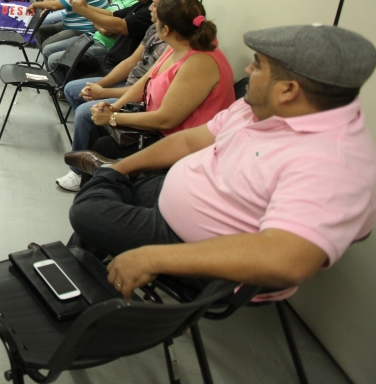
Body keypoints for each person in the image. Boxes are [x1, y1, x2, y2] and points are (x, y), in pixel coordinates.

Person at [68, 25, 376, 301]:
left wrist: (154, 258)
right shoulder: (260, 107)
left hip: (195, 247)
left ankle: (99, 195)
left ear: (288, 90)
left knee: (87, 211)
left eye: (258, 65)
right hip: (183, 195)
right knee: (107, 191)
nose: (248, 69)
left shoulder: (334, 164)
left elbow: (287, 260)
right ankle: (75, 265)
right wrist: (122, 167)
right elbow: (190, 142)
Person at [57, 0, 235, 192]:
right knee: (96, 129)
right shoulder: (177, 45)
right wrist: (114, 107)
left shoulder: (199, 62)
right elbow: (144, 83)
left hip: (184, 143)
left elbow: (166, 120)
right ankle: (89, 188)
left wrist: (113, 118)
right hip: (161, 129)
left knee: (102, 145)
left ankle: (98, 193)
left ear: (165, 29)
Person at [59, 0, 196, 177]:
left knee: (84, 113)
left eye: (155, 5)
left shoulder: (189, 56)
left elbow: (160, 110)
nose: (150, 8)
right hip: (135, 92)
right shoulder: (161, 36)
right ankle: (87, 146)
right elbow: (136, 69)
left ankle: (79, 172)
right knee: (74, 90)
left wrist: (110, 110)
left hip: (162, 125)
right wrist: (103, 92)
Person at [41, 0, 162, 79]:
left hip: (104, 46)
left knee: (54, 59)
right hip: (93, 38)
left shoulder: (140, 5)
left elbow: (108, 29)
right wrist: (85, 8)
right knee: (48, 49)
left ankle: (61, 88)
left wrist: (85, 11)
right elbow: (108, 17)